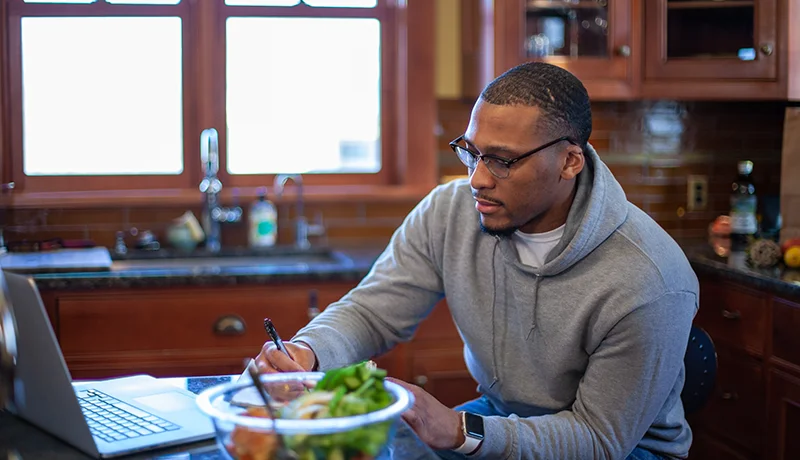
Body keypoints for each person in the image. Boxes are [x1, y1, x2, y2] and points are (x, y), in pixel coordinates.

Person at [255, 62, 699, 460]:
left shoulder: (649, 278)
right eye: (471, 152)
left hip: (625, 449)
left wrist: (456, 429)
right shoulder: (451, 211)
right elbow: (373, 310)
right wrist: (308, 351)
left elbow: (599, 440)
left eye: (503, 161)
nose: (477, 179)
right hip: (504, 414)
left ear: (569, 162)